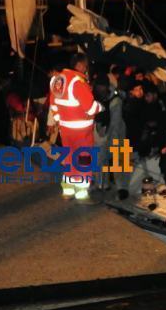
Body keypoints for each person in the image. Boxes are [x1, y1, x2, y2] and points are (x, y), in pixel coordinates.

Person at [49, 53, 103, 203]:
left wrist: (61, 122)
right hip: (82, 131)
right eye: (85, 66)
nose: (86, 69)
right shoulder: (78, 82)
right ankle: (81, 194)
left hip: (65, 130)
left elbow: (53, 105)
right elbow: (91, 108)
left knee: (69, 160)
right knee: (83, 160)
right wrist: (101, 106)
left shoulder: (56, 79)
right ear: (79, 65)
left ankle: (67, 191)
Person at [124, 80, 166, 197]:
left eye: (145, 93)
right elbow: (135, 124)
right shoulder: (132, 104)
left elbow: (163, 121)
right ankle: (132, 187)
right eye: (138, 90)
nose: (143, 95)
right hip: (136, 141)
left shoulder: (158, 104)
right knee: (136, 165)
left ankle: (156, 184)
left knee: (150, 164)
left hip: (150, 141)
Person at [92, 65, 127, 194]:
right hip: (101, 130)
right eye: (98, 86)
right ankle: (102, 184)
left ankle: (121, 188)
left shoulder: (115, 99)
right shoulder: (95, 96)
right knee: (100, 158)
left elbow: (115, 123)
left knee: (118, 158)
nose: (100, 89)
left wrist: (109, 139)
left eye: (102, 86)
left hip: (116, 131)